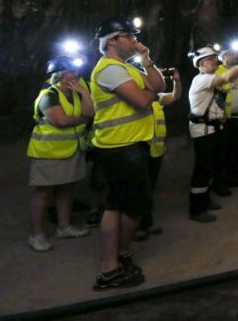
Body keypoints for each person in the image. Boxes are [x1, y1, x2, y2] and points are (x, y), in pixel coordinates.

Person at [90, 17, 165, 291]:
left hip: (129, 145)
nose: (134, 40)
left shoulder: (125, 67)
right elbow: (145, 99)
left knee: (117, 204)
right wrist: (150, 93)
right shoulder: (109, 69)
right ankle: (113, 264)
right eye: (127, 36)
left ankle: (113, 262)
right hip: (120, 147)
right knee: (134, 206)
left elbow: (158, 86)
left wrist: (146, 59)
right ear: (111, 40)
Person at [27, 56, 93, 252]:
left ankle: (64, 227)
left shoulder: (74, 93)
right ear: (59, 75)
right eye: (71, 72)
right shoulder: (49, 95)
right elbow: (61, 121)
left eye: (76, 72)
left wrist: (83, 93)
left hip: (71, 150)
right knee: (43, 194)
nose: (76, 75)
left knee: (67, 189)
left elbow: (90, 113)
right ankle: (36, 235)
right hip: (48, 152)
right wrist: (82, 119)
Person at [188, 46, 238, 222]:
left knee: (209, 167)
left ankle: (205, 201)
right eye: (212, 58)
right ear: (201, 63)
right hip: (204, 131)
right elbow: (228, 76)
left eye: (215, 58)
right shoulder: (202, 79)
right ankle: (196, 210)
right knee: (202, 169)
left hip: (212, 129)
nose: (216, 60)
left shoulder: (208, 78)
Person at [135, 67, 181, 241]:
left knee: (148, 188)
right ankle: (136, 226)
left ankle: (146, 222)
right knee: (138, 188)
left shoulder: (155, 98)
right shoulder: (135, 97)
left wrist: (176, 81)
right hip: (139, 148)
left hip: (155, 149)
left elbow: (174, 96)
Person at [214, 48, 238, 191]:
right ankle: (220, 181)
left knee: (236, 149)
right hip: (225, 117)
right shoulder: (218, 70)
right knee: (222, 150)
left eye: (236, 53)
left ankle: (233, 177)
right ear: (223, 57)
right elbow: (216, 92)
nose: (235, 56)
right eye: (231, 54)